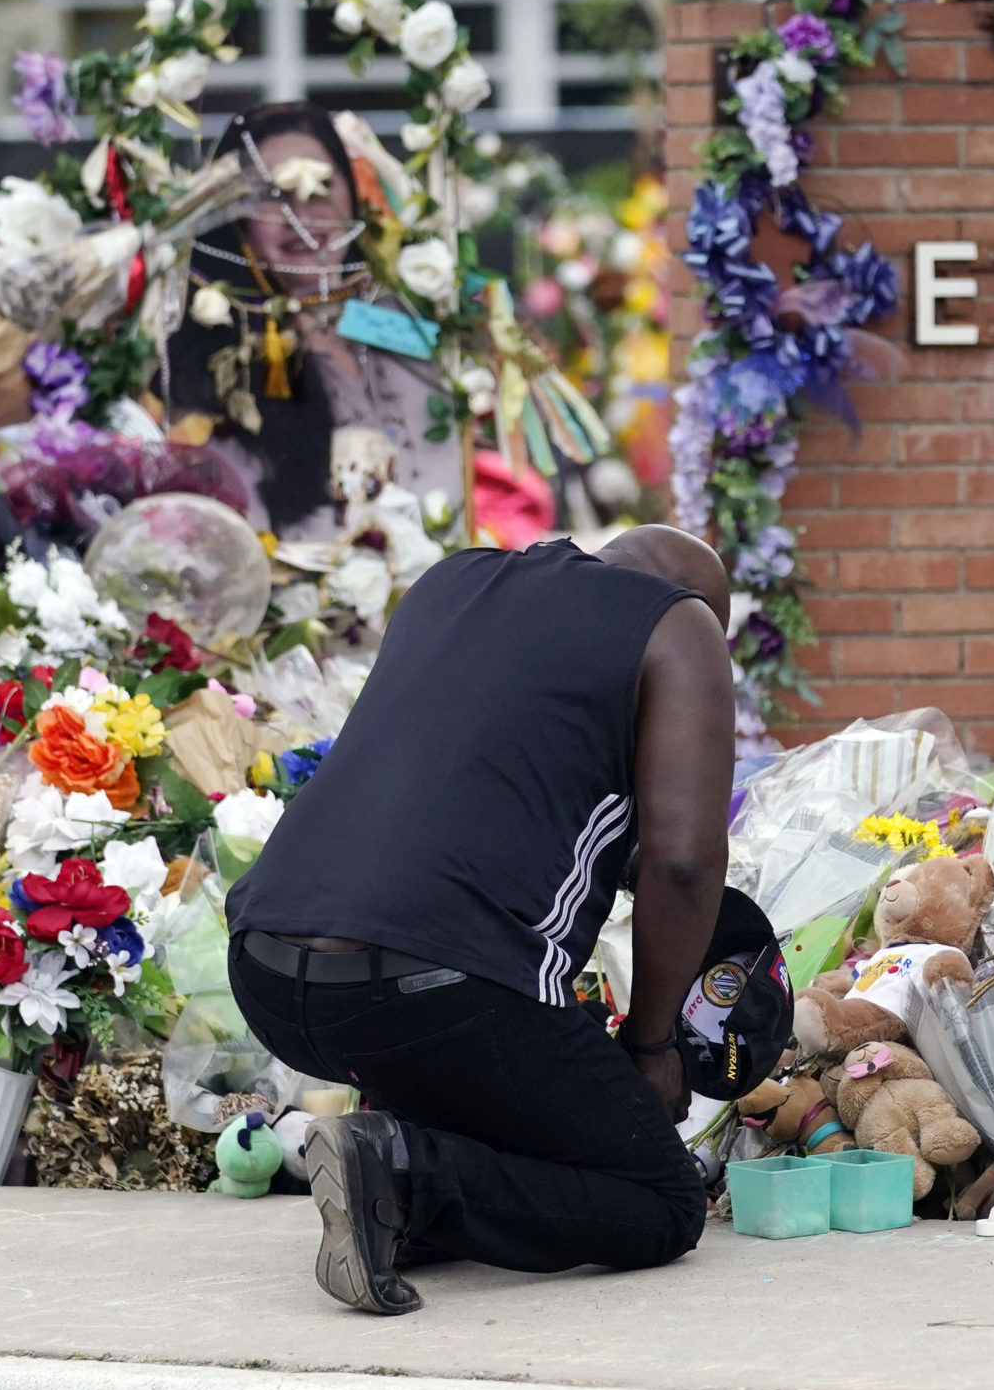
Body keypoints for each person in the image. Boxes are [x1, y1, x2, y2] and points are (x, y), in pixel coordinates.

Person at [226, 524, 735, 1313]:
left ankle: (387, 1189)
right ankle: (400, 1171)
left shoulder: (452, 580)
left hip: (266, 961)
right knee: (661, 1200)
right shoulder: (680, 622)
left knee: (479, 1075)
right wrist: (653, 1042)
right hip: (436, 985)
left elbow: (460, 780)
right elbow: (686, 862)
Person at [166, 101, 462, 540]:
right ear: (236, 215)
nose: (303, 217)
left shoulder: (405, 315)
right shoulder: (215, 349)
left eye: (323, 185)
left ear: (354, 190)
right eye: (272, 194)